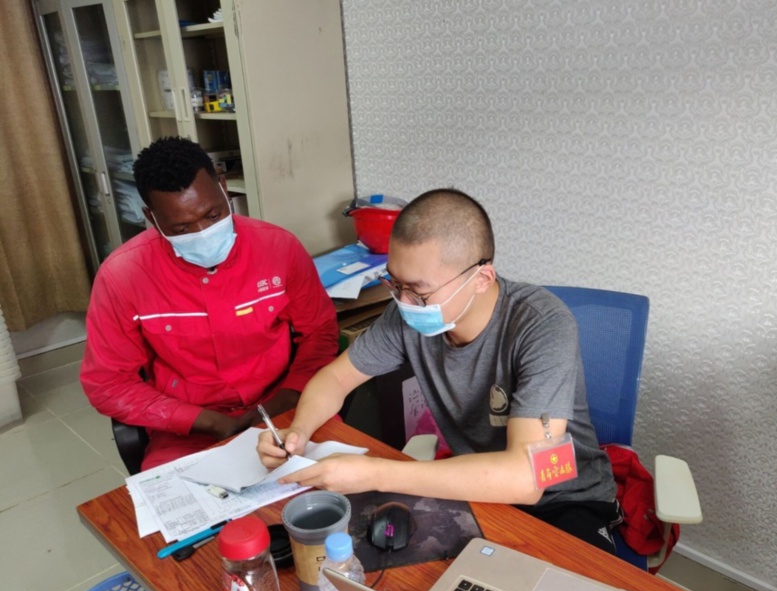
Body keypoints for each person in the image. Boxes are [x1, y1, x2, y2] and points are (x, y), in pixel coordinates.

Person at [258, 188, 620, 552]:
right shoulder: (405, 318)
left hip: (565, 499)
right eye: (394, 283)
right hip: (473, 487)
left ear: (481, 279)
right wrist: (298, 431)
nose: (402, 302)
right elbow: (336, 378)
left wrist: (375, 473)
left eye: (419, 291)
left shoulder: (543, 327)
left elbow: (529, 479)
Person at [80, 136, 338, 470]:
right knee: (187, 517)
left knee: (327, 498)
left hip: (284, 410)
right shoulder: (122, 276)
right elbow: (107, 383)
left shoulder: (279, 248)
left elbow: (319, 334)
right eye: (182, 227)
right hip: (187, 430)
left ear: (222, 185)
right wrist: (208, 422)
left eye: (213, 214)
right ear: (152, 217)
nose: (203, 232)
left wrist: (289, 397)